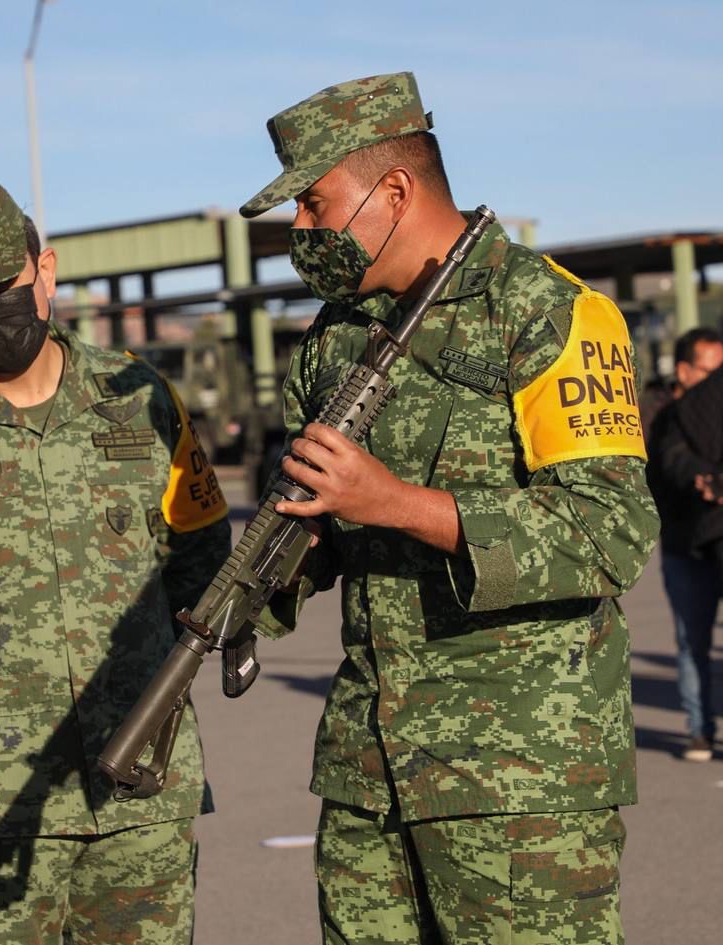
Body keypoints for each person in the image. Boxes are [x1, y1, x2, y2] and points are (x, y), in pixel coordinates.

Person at [238, 73, 659, 944]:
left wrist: (394, 503)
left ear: (395, 189)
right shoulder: (336, 334)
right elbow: (326, 533)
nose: (302, 230)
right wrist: (264, 575)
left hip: (520, 783)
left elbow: (609, 532)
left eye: (315, 203)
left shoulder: (550, 313)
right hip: (368, 773)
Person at [0, 175, 230, 945]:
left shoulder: (142, 398)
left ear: (45, 271)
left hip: (141, 797)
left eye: (5, 288)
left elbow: (203, 563)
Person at [647, 327, 723, 761]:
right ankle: (699, 730)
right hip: (683, 543)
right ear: (683, 370)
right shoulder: (660, 412)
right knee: (691, 640)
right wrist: (702, 478)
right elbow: (669, 463)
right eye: (708, 372)